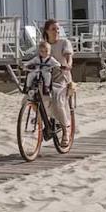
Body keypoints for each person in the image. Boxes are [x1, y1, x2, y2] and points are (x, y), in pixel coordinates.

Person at [42, 19, 74, 147]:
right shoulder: (44, 45)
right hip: (47, 78)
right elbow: (36, 56)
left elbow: (68, 57)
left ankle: (66, 131)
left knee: (57, 100)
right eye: (53, 29)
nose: (56, 31)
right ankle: (43, 119)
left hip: (62, 78)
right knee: (34, 95)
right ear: (47, 31)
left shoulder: (64, 43)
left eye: (57, 29)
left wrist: (68, 65)